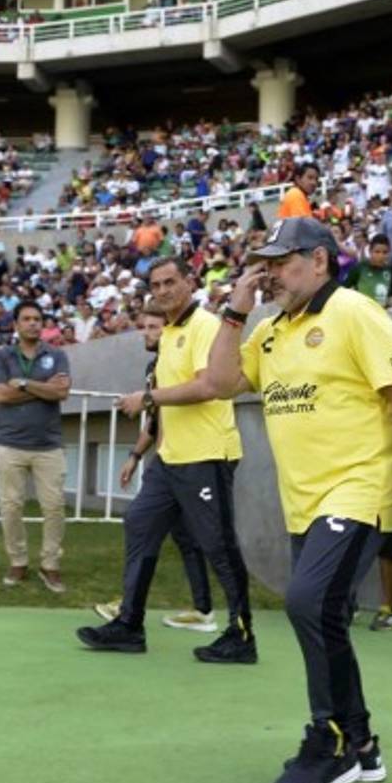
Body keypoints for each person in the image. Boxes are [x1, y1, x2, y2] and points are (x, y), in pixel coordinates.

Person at [205, 216, 392, 783]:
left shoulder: (356, 312)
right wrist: (235, 313)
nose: (270, 276)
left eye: (281, 263)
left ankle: (330, 741)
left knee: (309, 603)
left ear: (319, 261)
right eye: (264, 265)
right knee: (326, 615)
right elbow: (220, 381)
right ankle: (362, 742)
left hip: (359, 489)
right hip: (303, 503)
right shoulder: (269, 330)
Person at [76, 256, 254, 663]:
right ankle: (129, 625)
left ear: (190, 281)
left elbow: (209, 386)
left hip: (207, 454)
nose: (162, 291)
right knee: (139, 522)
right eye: (155, 285)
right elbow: (166, 405)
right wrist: (139, 451)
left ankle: (242, 636)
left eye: (170, 282)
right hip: (170, 460)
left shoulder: (205, 326)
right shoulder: (170, 332)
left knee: (219, 545)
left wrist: (148, 397)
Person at [90, 301, 218, 635]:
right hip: (166, 460)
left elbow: (199, 393)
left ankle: (130, 608)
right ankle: (202, 610)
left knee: (150, 526)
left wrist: (146, 401)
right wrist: (134, 456)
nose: (145, 334)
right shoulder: (155, 366)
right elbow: (156, 419)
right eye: (144, 327)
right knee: (180, 534)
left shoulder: (183, 358)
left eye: (153, 328)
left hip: (193, 459)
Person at [0, 301, 72, 593]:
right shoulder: (2, 355)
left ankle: (50, 565)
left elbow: (62, 391)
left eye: (37, 319)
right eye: (26, 319)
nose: (33, 323)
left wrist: (23, 383)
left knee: (55, 507)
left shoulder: (56, 354)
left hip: (48, 444)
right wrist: (43, 388)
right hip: (9, 443)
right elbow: (0, 395)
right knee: (11, 507)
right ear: (16, 325)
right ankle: (18, 561)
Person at [343, 233, 392, 308]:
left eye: (385, 252)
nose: (381, 256)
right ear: (370, 251)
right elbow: (343, 289)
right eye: (377, 252)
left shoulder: (389, 270)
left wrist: (391, 299)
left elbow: (391, 294)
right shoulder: (360, 268)